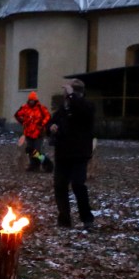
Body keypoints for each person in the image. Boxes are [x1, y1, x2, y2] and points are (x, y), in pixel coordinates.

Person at [48, 78, 96, 230]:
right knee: (60, 186)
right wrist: (51, 127)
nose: (65, 95)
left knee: (78, 185)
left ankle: (87, 219)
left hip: (79, 154)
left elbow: (82, 110)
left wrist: (71, 95)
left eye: (68, 92)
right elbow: (51, 121)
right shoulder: (63, 109)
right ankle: (64, 219)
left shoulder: (86, 106)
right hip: (62, 154)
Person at [14, 91, 53, 173]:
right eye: (30, 100)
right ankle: (33, 165)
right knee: (30, 150)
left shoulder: (41, 108)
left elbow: (48, 116)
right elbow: (17, 115)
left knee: (37, 152)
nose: (31, 101)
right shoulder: (25, 108)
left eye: (32, 100)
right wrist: (23, 122)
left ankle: (45, 164)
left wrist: (42, 124)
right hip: (28, 133)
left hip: (38, 134)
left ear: (35, 100)